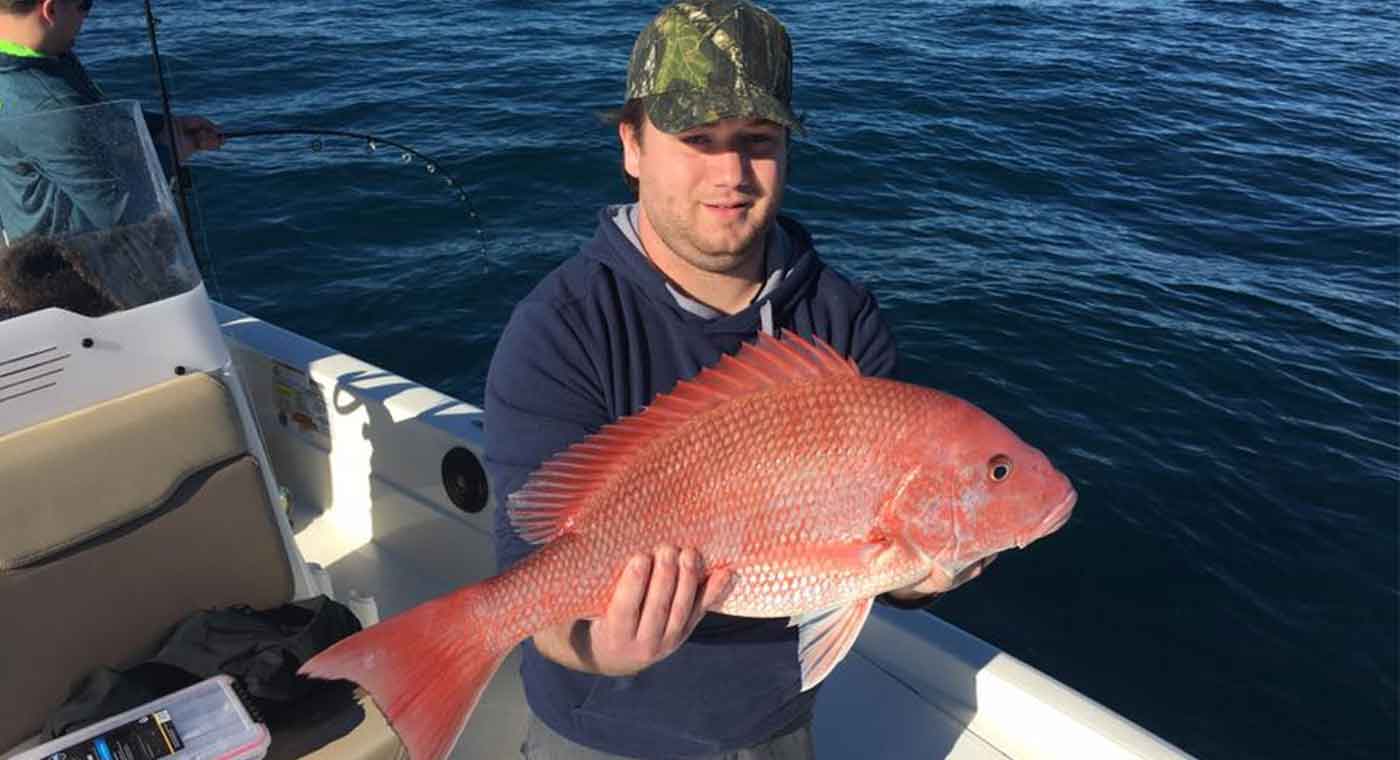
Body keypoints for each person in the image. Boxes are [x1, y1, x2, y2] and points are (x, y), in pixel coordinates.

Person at [485, 2, 994, 758]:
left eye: (757, 141)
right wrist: (602, 648)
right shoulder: (560, 328)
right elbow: (532, 576)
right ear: (631, 145)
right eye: (697, 139)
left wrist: (921, 574)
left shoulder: (842, 318)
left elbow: (872, 565)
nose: (731, 173)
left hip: (773, 726)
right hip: (599, 733)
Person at [0, 0, 223, 241]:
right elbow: (123, 212)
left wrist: (161, 125)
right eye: (85, 5)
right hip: (72, 261)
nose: (86, 19)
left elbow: (91, 116)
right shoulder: (51, 108)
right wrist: (173, 150)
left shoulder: (44, 59)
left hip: (22, 226)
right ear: (50, 9)